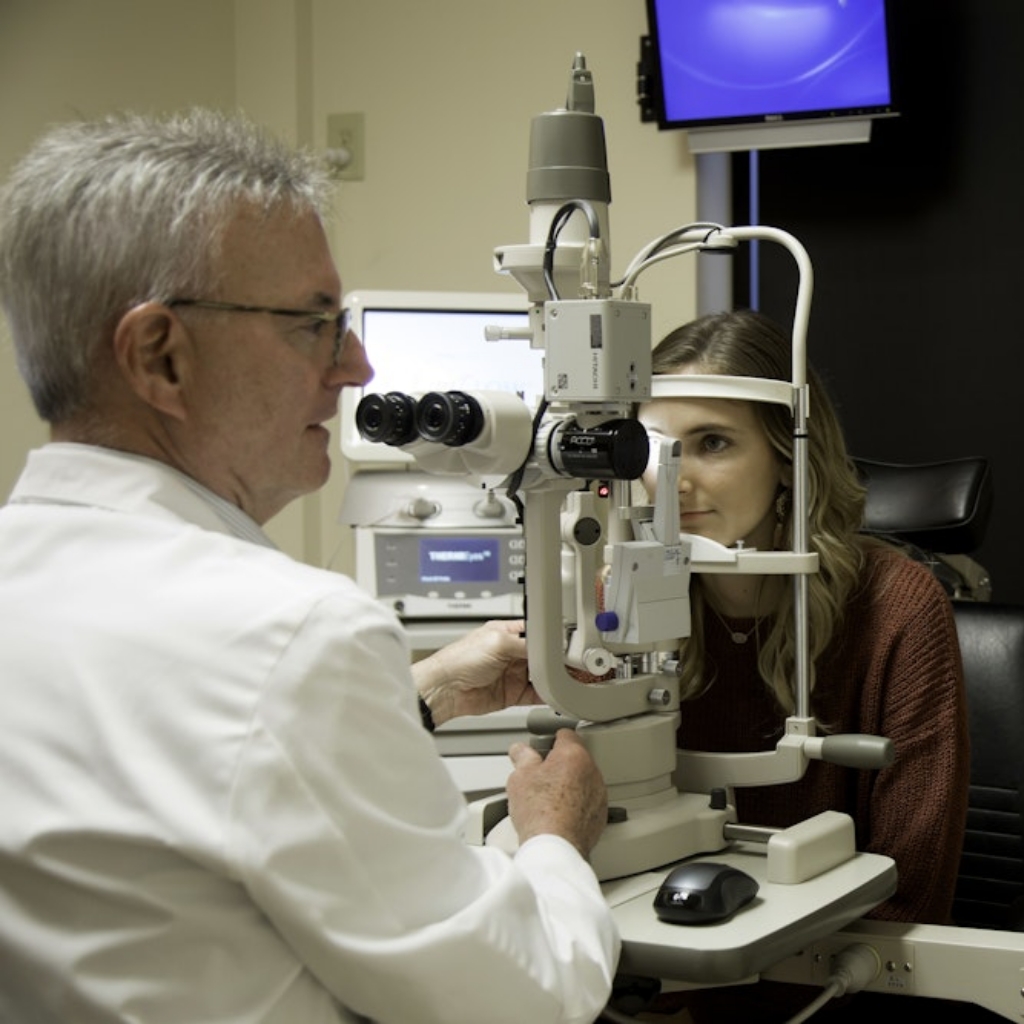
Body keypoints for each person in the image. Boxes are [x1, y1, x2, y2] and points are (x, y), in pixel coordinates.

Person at [0, 109, 619, 1024]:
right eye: (316, 325)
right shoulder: (289, 634)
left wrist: (421, 692)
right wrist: (554, 841)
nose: (359, 367)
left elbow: (171, 761)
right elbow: (520, 997)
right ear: (160, 356)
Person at [634, 309, 970, 1020]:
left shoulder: (897, 608)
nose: (674, 479)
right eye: (656, 446)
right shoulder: (628, 601)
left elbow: (911, 887)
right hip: (660, 976)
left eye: (712, 443)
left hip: (829, 991)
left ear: (789, 455)